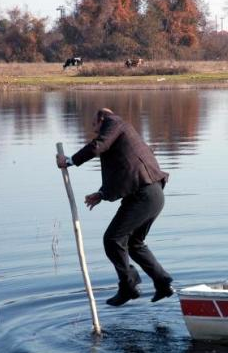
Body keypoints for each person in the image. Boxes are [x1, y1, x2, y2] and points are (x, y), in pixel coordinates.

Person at [57, 108, 174, 306]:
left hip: (144, 195)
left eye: (95, 126)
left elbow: (97, 146)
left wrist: (69, 161)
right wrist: (101, 194)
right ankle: (163, 283)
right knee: (135, 244)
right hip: (153, 195)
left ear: (102, 118)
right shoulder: (124, 134)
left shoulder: (114, 122)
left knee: (112, 239)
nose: (96, 132)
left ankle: (129, 285)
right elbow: (125, 170)